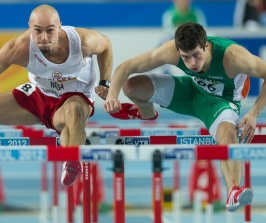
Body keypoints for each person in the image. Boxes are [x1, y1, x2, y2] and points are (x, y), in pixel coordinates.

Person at [104, 22, 266, 212]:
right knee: (131, 86)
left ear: (206, 45)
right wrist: (112, 95)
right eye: (185, 58)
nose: (192, 64)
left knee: (228, 135)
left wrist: (254, 112)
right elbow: (126, 66)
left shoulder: (233, 56)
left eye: (196, 55)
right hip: (190, 92)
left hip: (221, 104)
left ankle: (233, 191)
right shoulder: (172, 50)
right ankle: (146, 113)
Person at [0, 4, 113, 187]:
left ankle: (71, 160)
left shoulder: (82, 42)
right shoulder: (19, 47)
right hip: (37, 96)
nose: (44, 37)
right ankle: (71, 152)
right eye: (38, 31)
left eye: (50, 31)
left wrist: (105, 82)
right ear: (29, 27)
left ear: (60, 27)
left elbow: (106, 44)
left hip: (74, 98)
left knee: (73, 112)